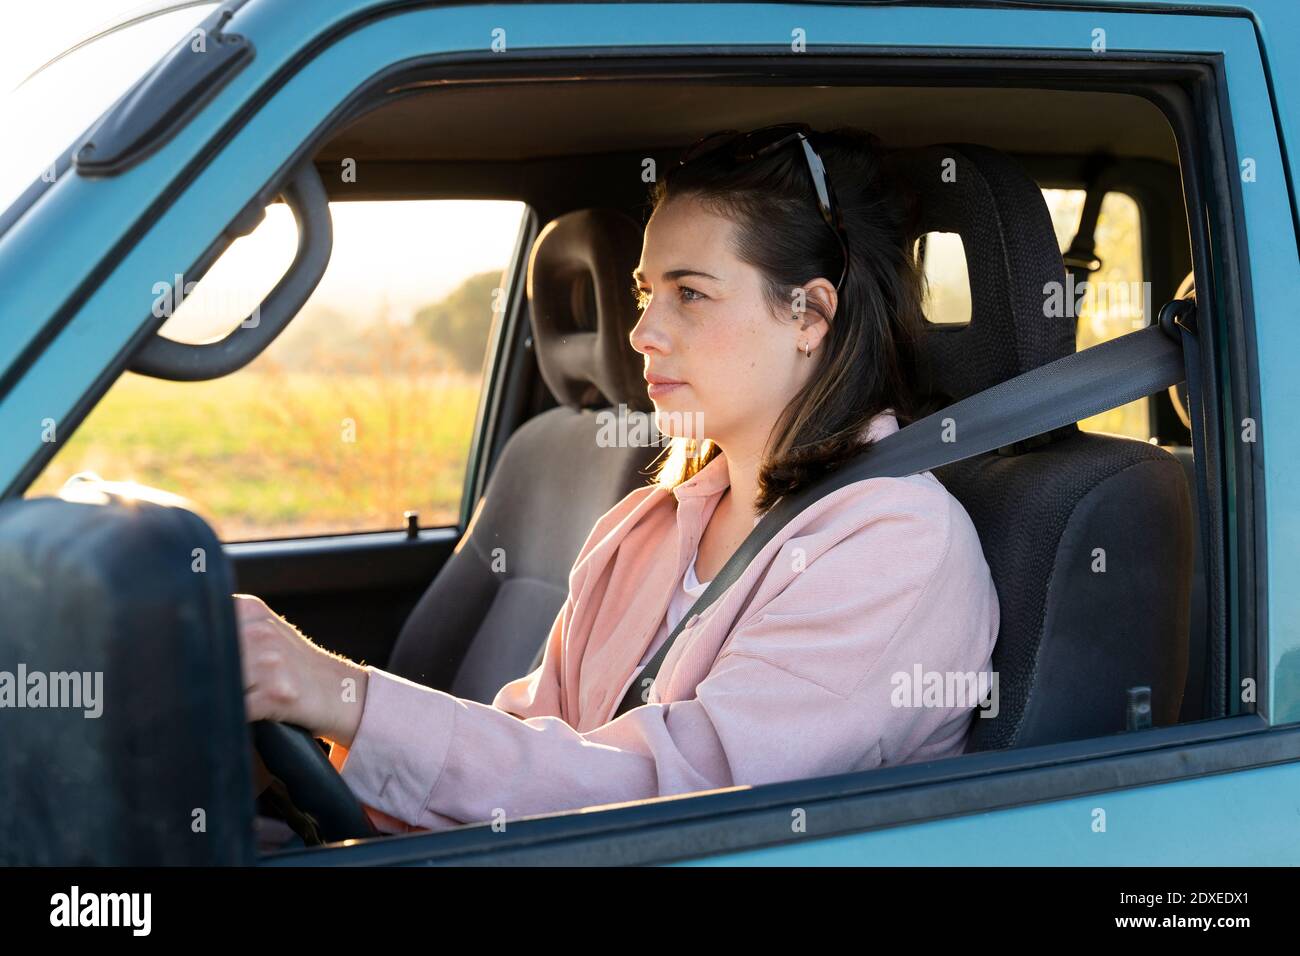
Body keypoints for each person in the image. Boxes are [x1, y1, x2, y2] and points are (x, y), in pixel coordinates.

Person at [236, 123, 1000, 834]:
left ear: (808, 314)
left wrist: (341, 694)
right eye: (644, 293)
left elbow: (681, 804)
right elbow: (530, 757)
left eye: (689, 293)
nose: (641, 332)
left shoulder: (896, 545)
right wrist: (311, 768)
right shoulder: (645, 526)